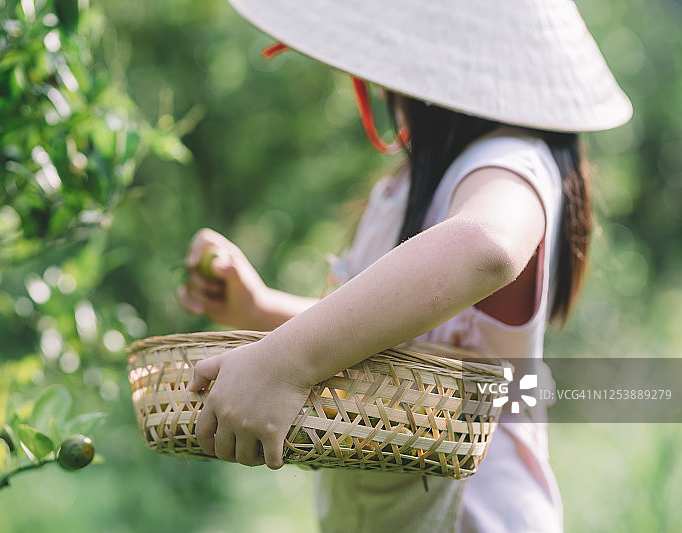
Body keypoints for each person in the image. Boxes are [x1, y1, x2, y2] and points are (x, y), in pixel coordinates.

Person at [176, 1, 632, 531]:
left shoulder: (508, 161)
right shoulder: (415, 182)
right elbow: (394, 347)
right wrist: (262, 309)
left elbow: (487, 245)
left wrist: (285, 361)